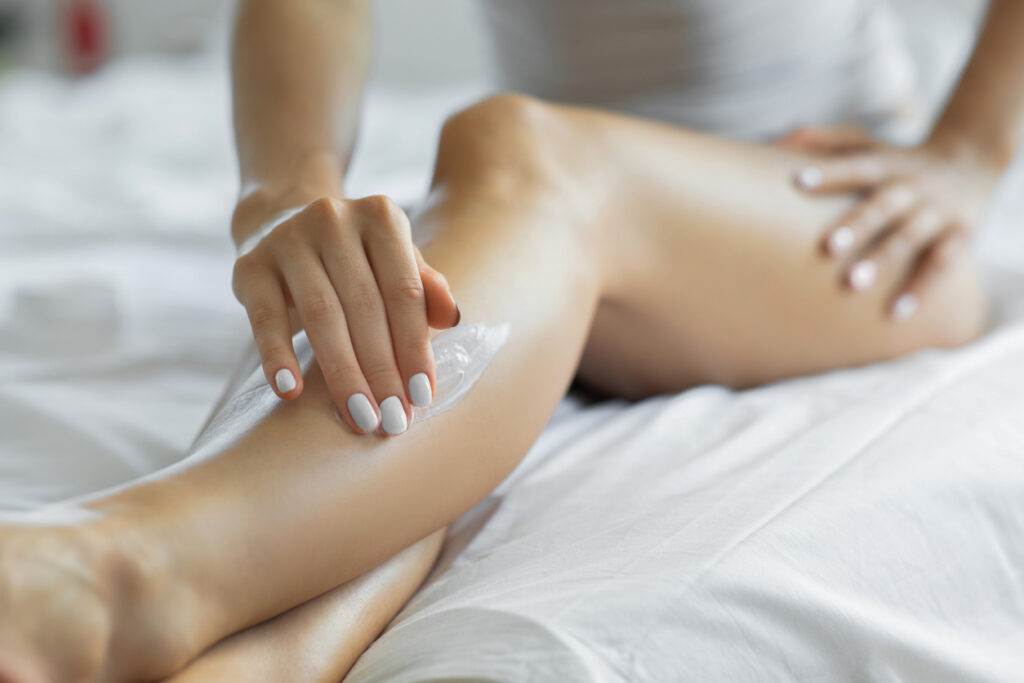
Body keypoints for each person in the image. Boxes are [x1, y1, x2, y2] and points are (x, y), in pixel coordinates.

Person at [0, 0, 1021, 680]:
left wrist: (969, 154)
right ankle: (252, 659)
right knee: (403, 279)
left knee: (511, 151)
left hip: (839, 238)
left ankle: (114, 571)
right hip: (552, 222)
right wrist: (287, 197)